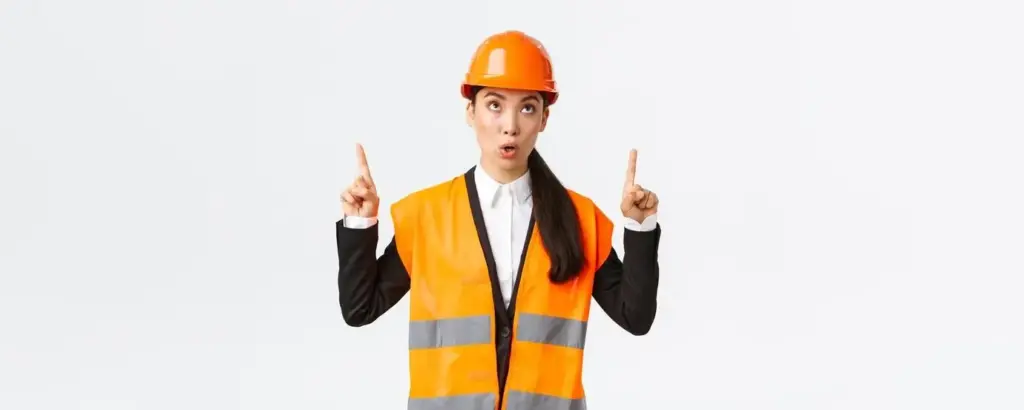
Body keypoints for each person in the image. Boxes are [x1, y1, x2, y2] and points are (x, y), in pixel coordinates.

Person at [336, 30, 662, 410]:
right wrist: (360, 224)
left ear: (544, 118)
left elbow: (635, 317)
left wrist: (640, 227)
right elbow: (360, 309)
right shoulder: (426, 216)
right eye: (494, 105)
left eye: (527, 108)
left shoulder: (580, 220)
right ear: (470, 111)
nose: (510, 125)